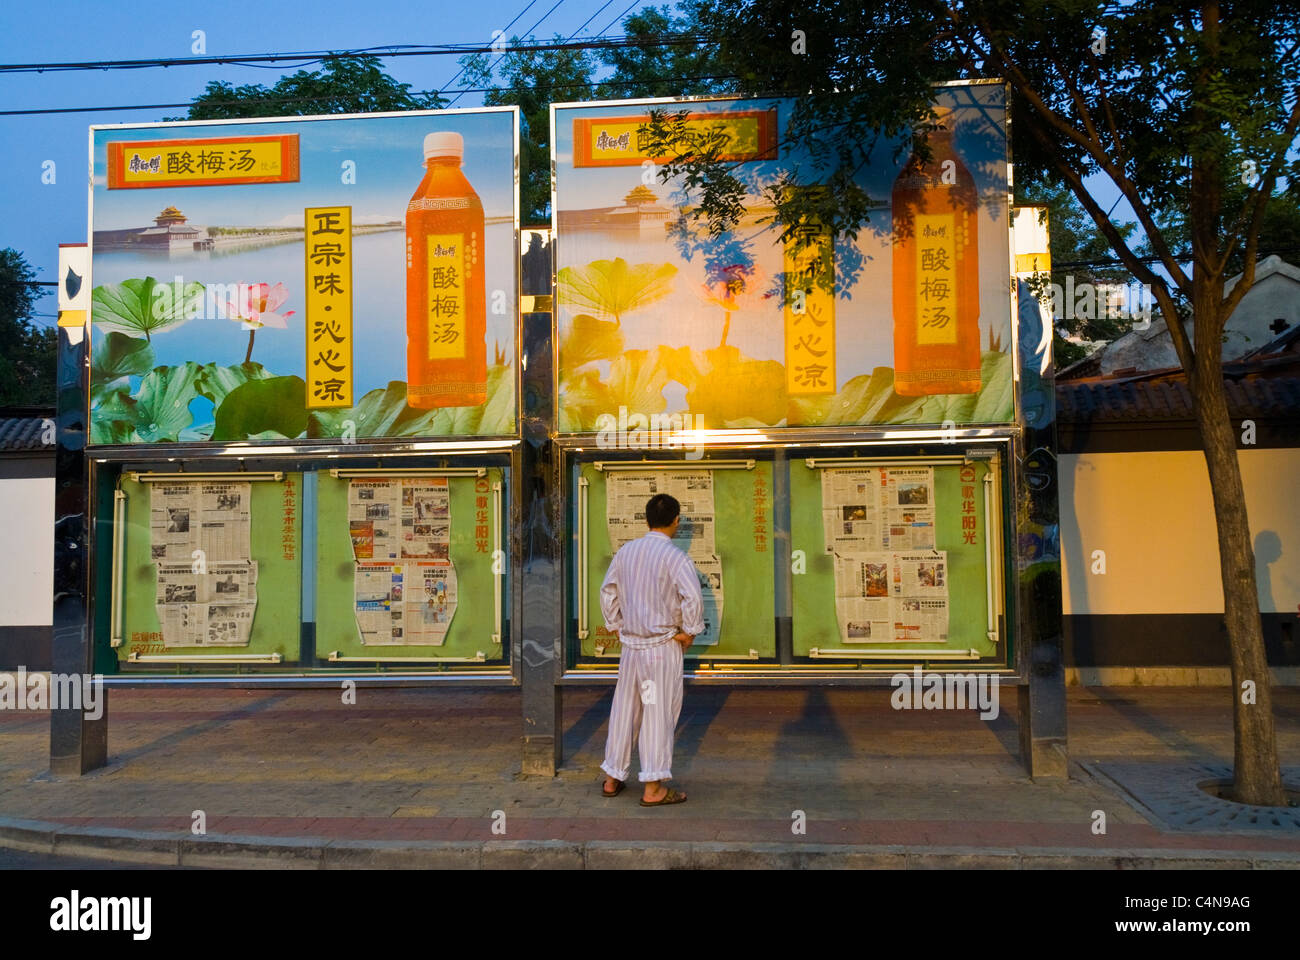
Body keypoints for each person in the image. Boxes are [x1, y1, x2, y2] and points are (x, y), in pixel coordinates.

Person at [598, 492, 703, 806]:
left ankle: (612, 777)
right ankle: (653, 787)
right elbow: (693, 599)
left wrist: (616, 624)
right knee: (657, 714)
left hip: (632, 648)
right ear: (675, 521)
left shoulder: (626, 552)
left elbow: (608, 591)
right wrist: (690, 631)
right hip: (661, 648)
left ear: (646, 520)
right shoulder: (676, 558)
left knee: (625, 711)